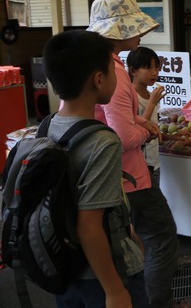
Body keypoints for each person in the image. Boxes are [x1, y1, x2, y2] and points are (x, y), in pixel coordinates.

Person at [87, 0, 180, 308]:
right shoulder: (109, 70)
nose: (139, 32)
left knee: (130, 240)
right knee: (161, 238)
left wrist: (140, 119)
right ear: (119, 30)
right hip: (127, 174)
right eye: (133, 25)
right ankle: (157, 303)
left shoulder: (99, 62)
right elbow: (122, 134)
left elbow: (116, 116)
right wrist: (146, 130)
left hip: (109, 172)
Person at [43, 29, 147, 307]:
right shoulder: (102, 141)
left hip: (64, 265)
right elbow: (89, 227)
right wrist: (114, 290)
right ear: (98, 80)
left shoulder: (47, 126)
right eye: (113, 71)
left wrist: (127, 229)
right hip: (101, 276)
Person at [127, 46, 166, 188]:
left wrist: (170, 137)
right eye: (148, 68)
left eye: (157, 67)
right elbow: (137, 129)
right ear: (133, 71)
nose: (154, 73)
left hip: (154, 161)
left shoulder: (151, 94)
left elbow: (152, 127)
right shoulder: (130, 96)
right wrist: (152, 103)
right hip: (140, 164)